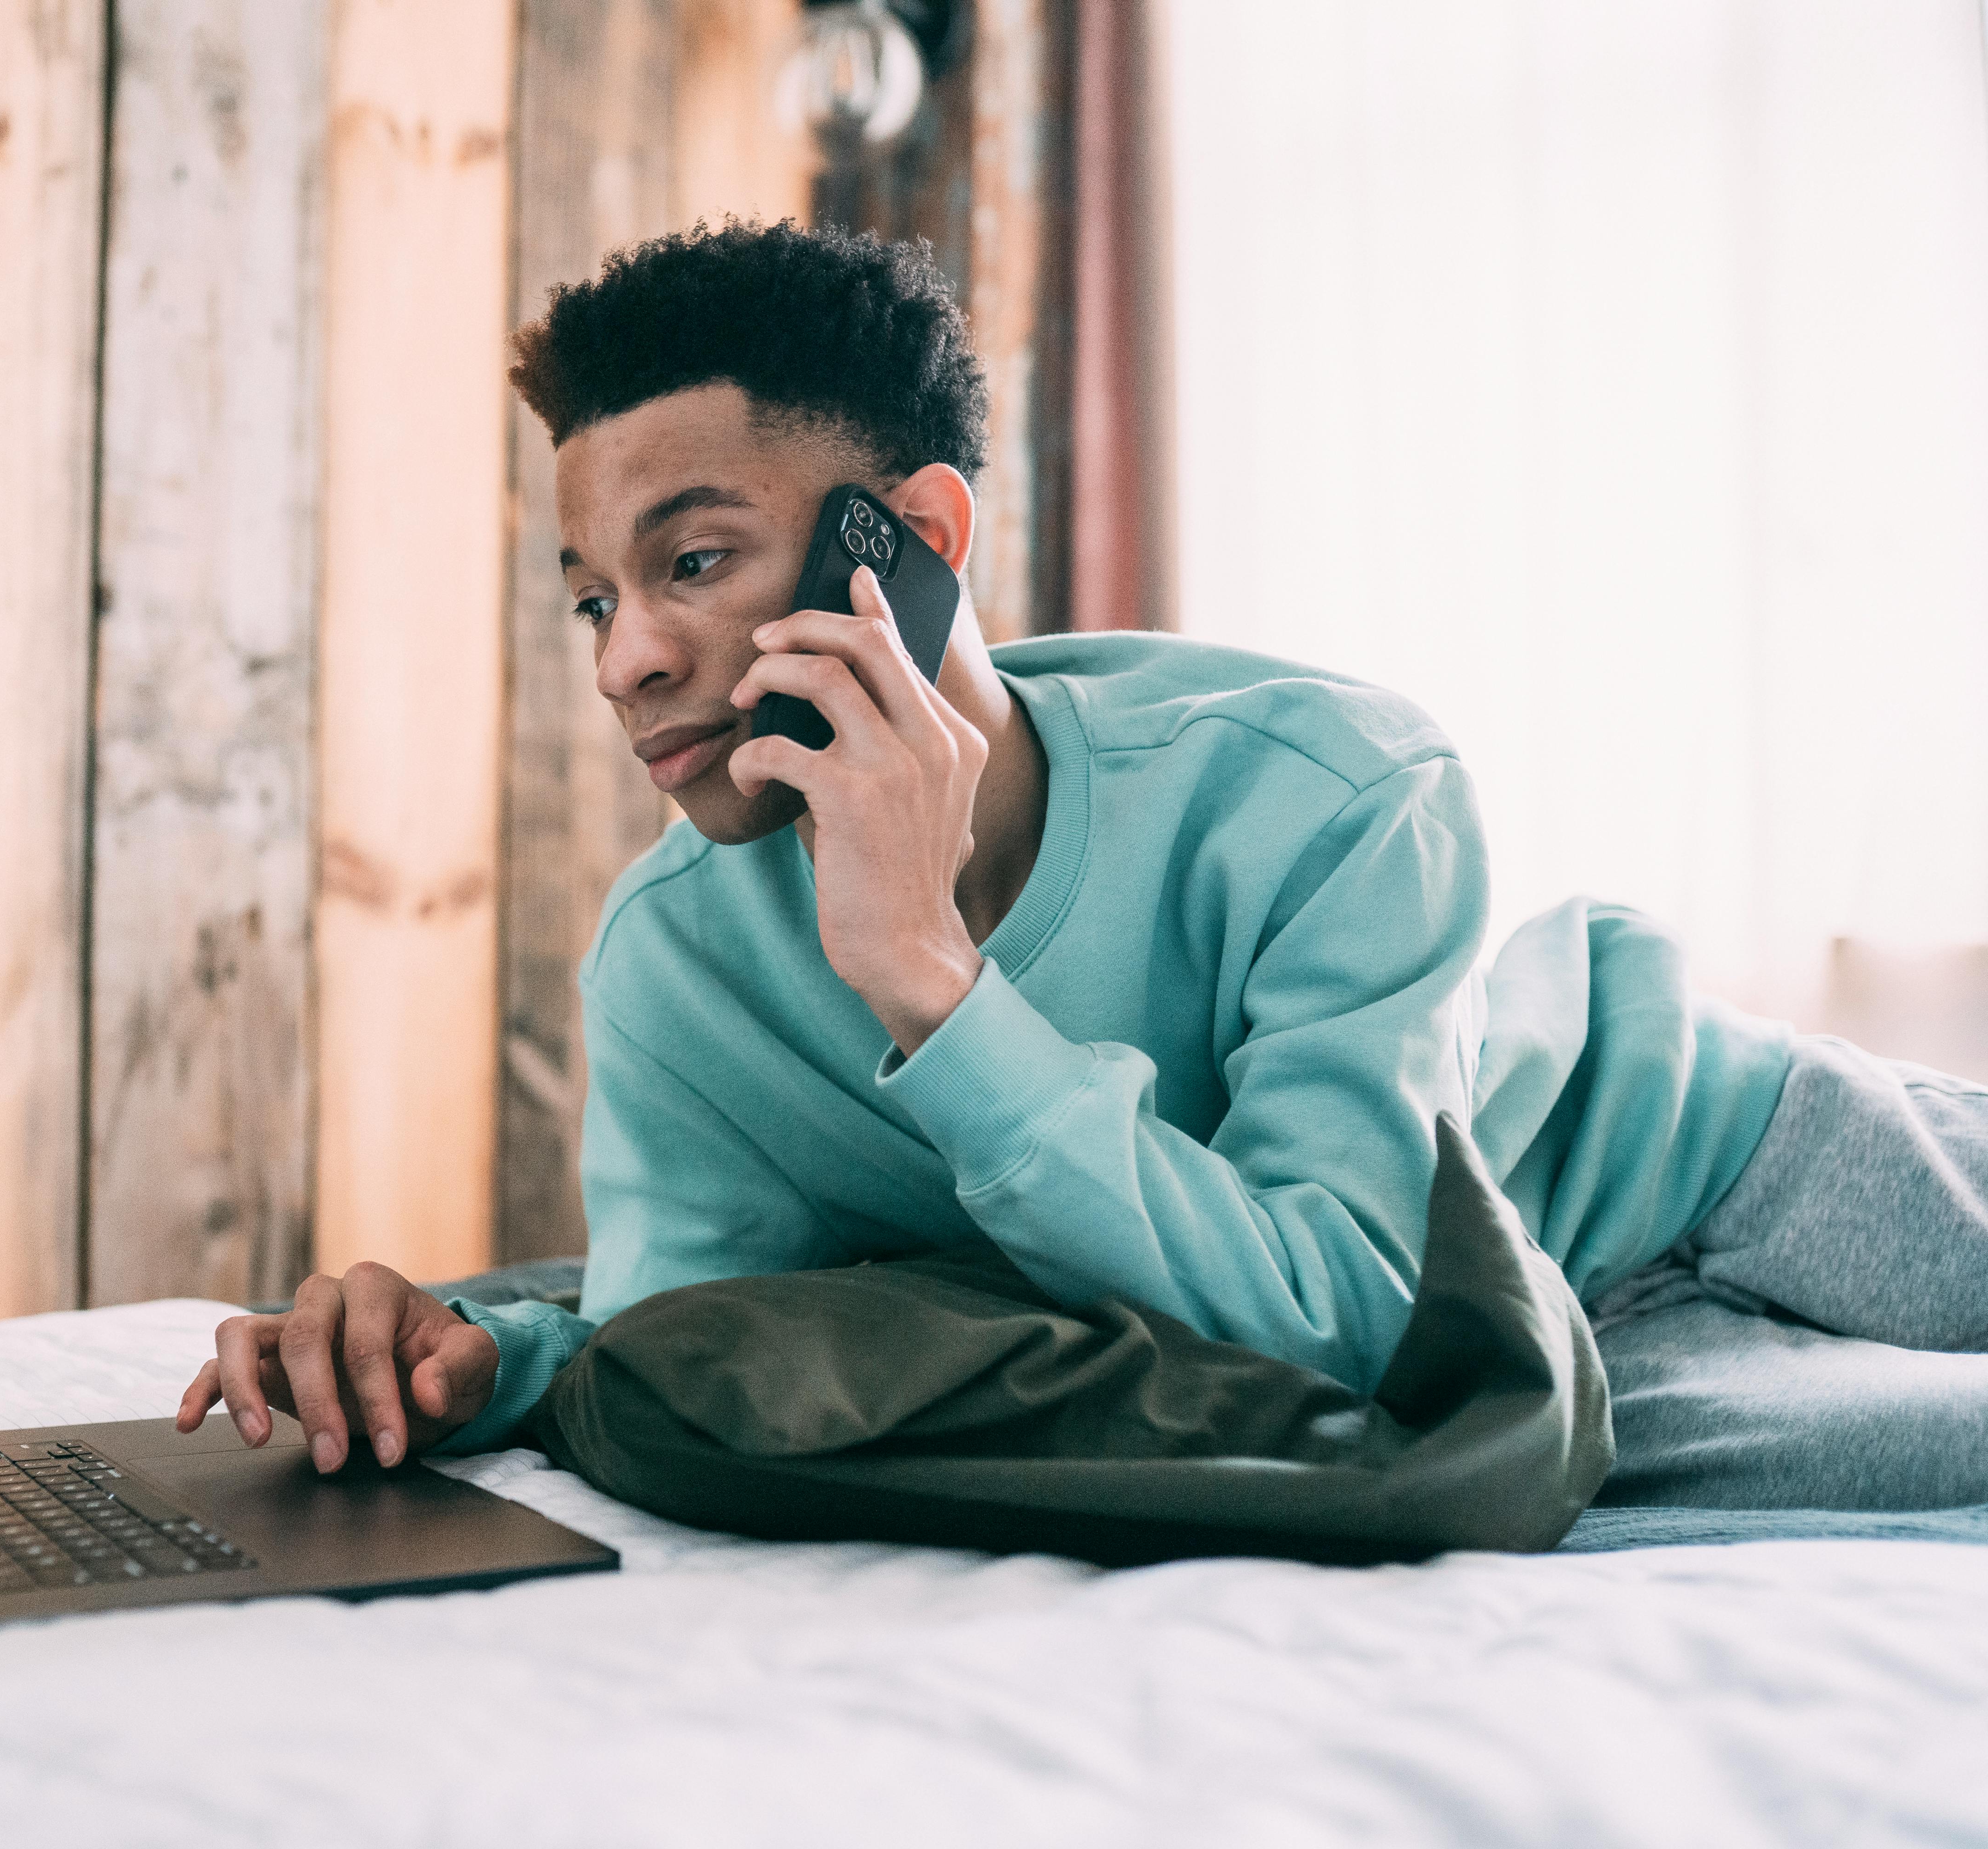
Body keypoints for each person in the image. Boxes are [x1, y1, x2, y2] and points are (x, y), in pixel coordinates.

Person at [178, 222, 1988, 1511]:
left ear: (918, 538)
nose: (623, 659)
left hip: (1703, 1154)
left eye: (693, 563)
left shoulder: (1332, 784)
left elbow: (1346, 1292)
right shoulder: (680, 965)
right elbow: (710, 1343)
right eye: (591, 596)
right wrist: (488, 1355)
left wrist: (937, 992)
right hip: (1534, 1371)